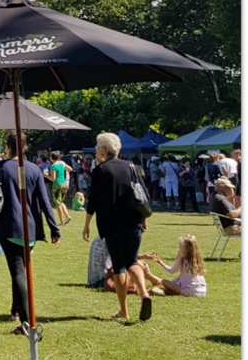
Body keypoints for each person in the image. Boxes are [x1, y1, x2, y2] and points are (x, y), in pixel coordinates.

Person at [0, 131, 60, 333]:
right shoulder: (34, 169)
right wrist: (54, 228)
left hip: (8, 226)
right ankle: (15, 309)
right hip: (30, 228)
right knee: (19, 270)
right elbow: (45, 201)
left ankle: (27, 321)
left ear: (7, 146)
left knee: (18, 272)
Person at [82, 132, 152, 322]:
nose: (96, 151)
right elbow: (142, 195)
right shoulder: (132, 167)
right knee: (133, 261)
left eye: (97, 147)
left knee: (119, 265)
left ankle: (124, 310)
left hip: (112, 223)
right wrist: (143, 218)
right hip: (134, 221)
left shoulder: (100, 171)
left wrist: (87, 224)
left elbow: (93, 201)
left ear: (104, 150)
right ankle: (144, 293)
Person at [140, 235, 207, 297]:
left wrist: (160, 262)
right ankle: (171, 291)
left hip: (190, 291)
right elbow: (178, 269)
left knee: (164, 281)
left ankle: (170, 291)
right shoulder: (197, 260)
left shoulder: (182, 261)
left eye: (180, 246)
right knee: (175, 282)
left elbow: (171, 271)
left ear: (184, 248)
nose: (179, 247)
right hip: (202, 291)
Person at [47, 151, 72, 225]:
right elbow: (70, 169)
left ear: (52, 157)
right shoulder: (62, 163)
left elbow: (53, 178)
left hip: (57, 184)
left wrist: (45, 175)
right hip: (63, 183)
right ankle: (67, 217)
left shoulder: (53, 166)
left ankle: (62, 221)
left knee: (58, 203)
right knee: (61, 202)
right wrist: (64, 172)